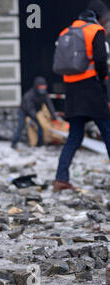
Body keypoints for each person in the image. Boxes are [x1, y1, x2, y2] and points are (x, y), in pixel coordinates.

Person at [54, 0, 110, 191]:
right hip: (92, 90)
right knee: (108, 132)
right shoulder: (95, 31)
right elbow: (101, 60)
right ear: (99, 15)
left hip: (73, 92)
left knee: (74, 137)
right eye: (106, 18)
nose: (106, 22)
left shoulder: (66, 31)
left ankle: (61, 178)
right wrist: (104, 82)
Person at [11, 77, 59, 149]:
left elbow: (49, 104)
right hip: (23, 112)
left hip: (35, 112)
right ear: (36, 86)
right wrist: (35, 117)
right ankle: (14, 143)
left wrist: (54, 115)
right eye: (40, 87)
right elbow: (30, 108)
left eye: (44, 87)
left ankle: (40, 145)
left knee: (40, 127)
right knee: (20, 127)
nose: (42, 89)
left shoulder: (44, 94)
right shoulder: (29, 95)